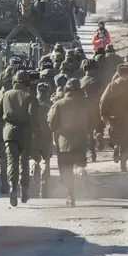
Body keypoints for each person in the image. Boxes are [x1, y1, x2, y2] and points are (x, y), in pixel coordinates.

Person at [0, 70, 37, 206]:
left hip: (9, 132)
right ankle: (24, 190)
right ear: (27, 82)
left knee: (12, 160)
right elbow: (33, 114)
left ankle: (13, 185)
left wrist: (5, 122)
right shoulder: (30, 96)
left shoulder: (6, 94)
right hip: (25, 132)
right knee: (24, 161)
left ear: (15, 81)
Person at [48, 78, 92, 207]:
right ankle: (81, 171)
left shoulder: (59, 104)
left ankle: (70, 196)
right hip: (81, 140)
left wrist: (56, 130)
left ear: (66, 89)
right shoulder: (86, 104)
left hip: (64, 143)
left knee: (66, 171)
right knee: (79, 164)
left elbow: (51, 122)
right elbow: (93, 120)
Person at [100, 64, 128, 172]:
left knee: (115, 136)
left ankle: (115, 146)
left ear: (118, 73)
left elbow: (103, 101)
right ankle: (123, 164)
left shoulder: (112, 85)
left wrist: (104, 116)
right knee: (127, 139)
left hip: (114, 117)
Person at [80, 59, 105, 161]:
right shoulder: (101, 80)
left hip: (86, 109)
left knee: (89, 132)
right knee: (99, 126)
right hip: (99, 106)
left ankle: (92, 153)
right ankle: (99, 134)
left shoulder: (82, 81)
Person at [33, 81, 54, 198]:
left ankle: (34, 165)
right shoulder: (51, 105)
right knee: (46, 161)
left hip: (34, 137)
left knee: (33, 157)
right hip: (47, 137)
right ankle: (44, 190)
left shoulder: (31, 103)